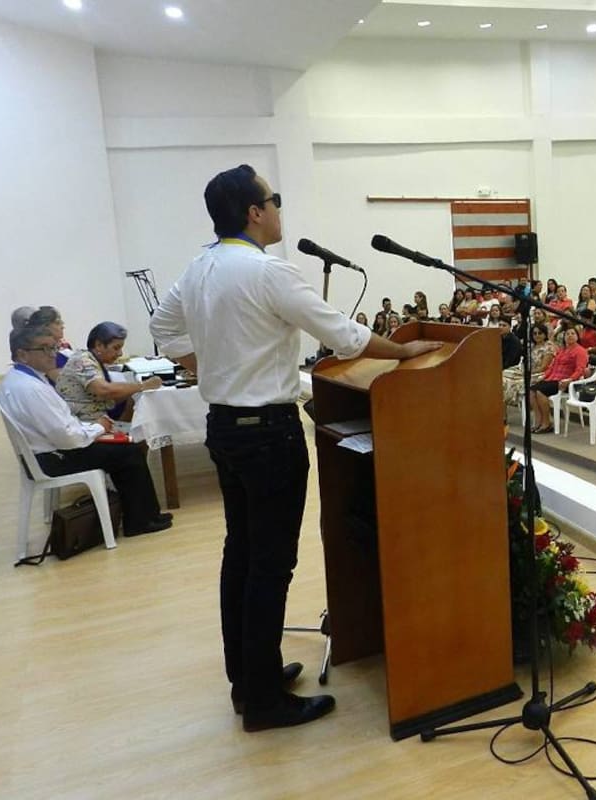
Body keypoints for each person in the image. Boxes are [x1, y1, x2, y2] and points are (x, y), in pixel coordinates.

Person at [149, 164, 440, 732]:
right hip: (268, 434)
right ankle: (263, 702)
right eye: (273, 199)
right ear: (255, 212)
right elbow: (347, 337)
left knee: (242, 555)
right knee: (271, 566)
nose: (279, 208)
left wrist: (210, 364)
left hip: (226, 428)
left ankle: (248, 678)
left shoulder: (199, 267)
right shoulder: (267, 273)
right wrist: (405, 354)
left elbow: (164, 327)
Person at [0, 325, 171, 537]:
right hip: (54, 457)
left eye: (54, 348)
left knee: (125, 446)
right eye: (44, 349)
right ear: (22, 355)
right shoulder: (31, 389)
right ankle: (140, 521)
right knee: (129, 452)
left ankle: (147, 514)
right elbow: (68, 437)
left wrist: (95, 427)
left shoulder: (20, 379)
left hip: (50, 449)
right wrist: (98, 428)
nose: (53, 354)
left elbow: (64, 425)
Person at [56, 322, 162, 422]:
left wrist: (134, 390)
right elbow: (103, 390)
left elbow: (108, 399)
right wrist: (143, 386)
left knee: (133, 397)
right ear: (98, 345)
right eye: (116, 348)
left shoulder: (94, 361)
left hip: (94, 422)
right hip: (84, 426)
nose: (120, 353)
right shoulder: (83, 360)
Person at [528, 327, 588, 432]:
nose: (570, 336)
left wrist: (570, 379)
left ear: (577, 337)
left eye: (572, 333)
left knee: (540, 392)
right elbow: (552, 367)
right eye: (567, 334)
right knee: (531, 391)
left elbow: (580, 370)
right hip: (552, 378)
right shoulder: (562, 350)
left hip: (565, 382)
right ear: (564, 337)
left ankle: (547, 423)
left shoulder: (580, 351)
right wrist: (544, 377)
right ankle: (538, 420)